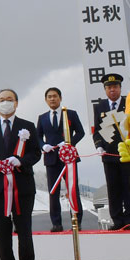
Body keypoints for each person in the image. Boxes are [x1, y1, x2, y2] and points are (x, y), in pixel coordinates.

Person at [0, 89, 42, 260]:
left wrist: (20, 161)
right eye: (1, 100)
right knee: (3, 228)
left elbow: (36, 153)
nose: (5, 102)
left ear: (16, 103)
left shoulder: (27, 126)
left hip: (22, 186)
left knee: (24, 227)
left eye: (9, 99)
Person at [92, 73, 130, 229]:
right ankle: (117, 220)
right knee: (113, 188)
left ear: (120, 88)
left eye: (115, 87)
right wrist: (98, 145)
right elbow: (97, 130)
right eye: (109, 87)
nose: (112, 90)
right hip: (109, 155)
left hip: (127, 154)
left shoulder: (129, 103)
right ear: (105, 90)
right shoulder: (100, 107)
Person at [36, 87, 86, 232]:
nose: (52, 99)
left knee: (73, 190)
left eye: (55, 96)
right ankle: (56, 223)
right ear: (46, 100)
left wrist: (70, 143)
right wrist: (43, 145)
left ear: (60, 98)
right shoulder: (42, 117)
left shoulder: (70, 114)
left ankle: (77, 220)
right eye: (49, 97)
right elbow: (38, 136)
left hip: (69, 158)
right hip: (51, 159)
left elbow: (80, 132)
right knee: (53, 192)